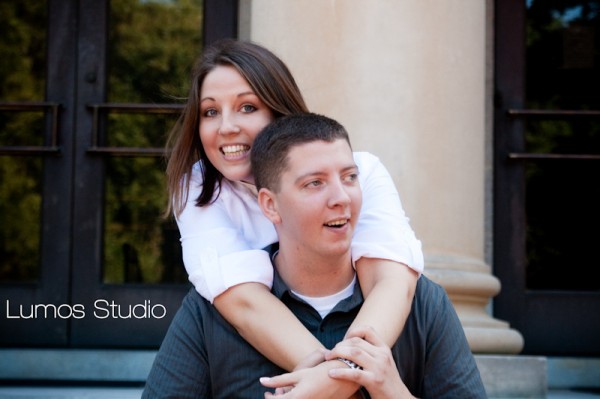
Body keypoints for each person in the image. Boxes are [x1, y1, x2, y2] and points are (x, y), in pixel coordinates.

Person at [143, 113, 487, 398]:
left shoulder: (424, 303)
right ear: (270, 205)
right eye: (315, 184)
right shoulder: (209, 313)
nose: (341, 197)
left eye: (350, 177)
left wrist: (391, 390)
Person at [164, 38, 424, 393]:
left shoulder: (360, 172)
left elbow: (391, 282)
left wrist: (324, 385)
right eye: (210, 112)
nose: (225, 127)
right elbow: (243, 302)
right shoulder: (198, 189)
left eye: (247, 107)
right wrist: (339, 383)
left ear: (279, 110)